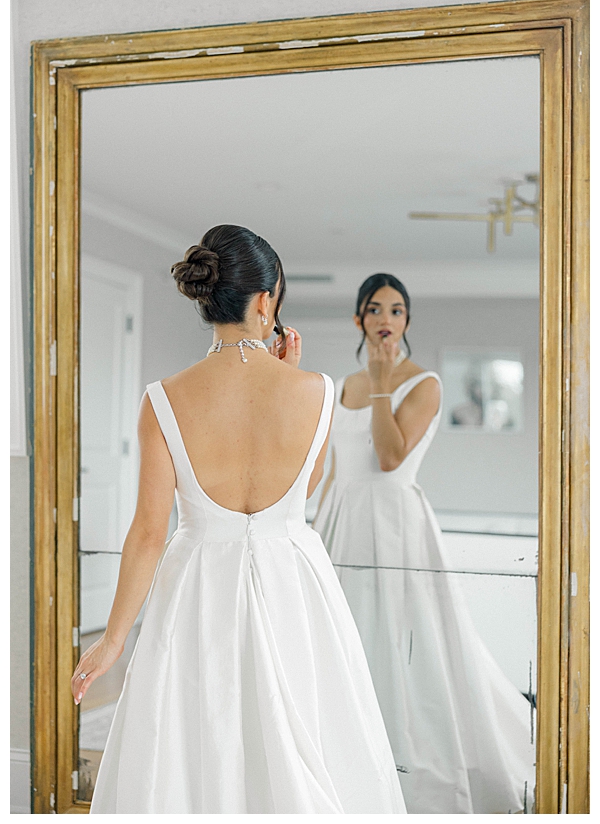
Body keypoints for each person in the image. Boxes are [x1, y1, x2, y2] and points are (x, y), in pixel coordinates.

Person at [71, 227, 406, 814]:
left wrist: (113, 640)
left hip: (198, 587)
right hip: (295, 584)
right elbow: (305, 487)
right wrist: (290, 375)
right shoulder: (319, 391)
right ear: (265, 301)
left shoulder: (163, 398)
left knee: (199, 742)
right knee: (313, 733)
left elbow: (149, 531)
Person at [313, 273, 536, 814]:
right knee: (340, 632)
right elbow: (335, 466)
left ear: (408, 320)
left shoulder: (425, 383)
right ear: (358, 319)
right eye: (374, 308)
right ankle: (339, 744)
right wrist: (311, 524)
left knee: (403, 638)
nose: (385, 318)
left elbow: (389, 459)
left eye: (396, 309)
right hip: (341, 517)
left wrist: (385, 382)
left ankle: (404, 756)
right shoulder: (344, 383)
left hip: (394, 522)